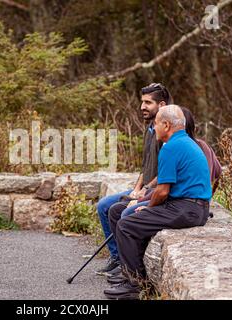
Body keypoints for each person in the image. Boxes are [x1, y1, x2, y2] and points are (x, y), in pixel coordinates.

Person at [104, 105, 212, 300]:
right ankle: (136, 277)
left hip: (186, 208)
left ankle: (133, 285)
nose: (154, 128)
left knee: (126, 225)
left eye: (155, 124)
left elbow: (162, 191)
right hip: (193, 207)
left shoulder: (171, 147)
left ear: (166, 125)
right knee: (127, 216)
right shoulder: (186, 142)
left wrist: (148, 207)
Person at [94, 83, 172, 276]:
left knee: (120, 211)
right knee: (104, 205)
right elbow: (145, 166)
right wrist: (137, 188)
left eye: (148, 103)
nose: (142, 107)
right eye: (142, 102)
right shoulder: (150, 129)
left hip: (156, 190)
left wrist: (146, 189)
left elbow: (166, 173)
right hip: (145, 188)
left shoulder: (168, 133)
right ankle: (117, 258)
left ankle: (128, 266)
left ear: (161, 105)